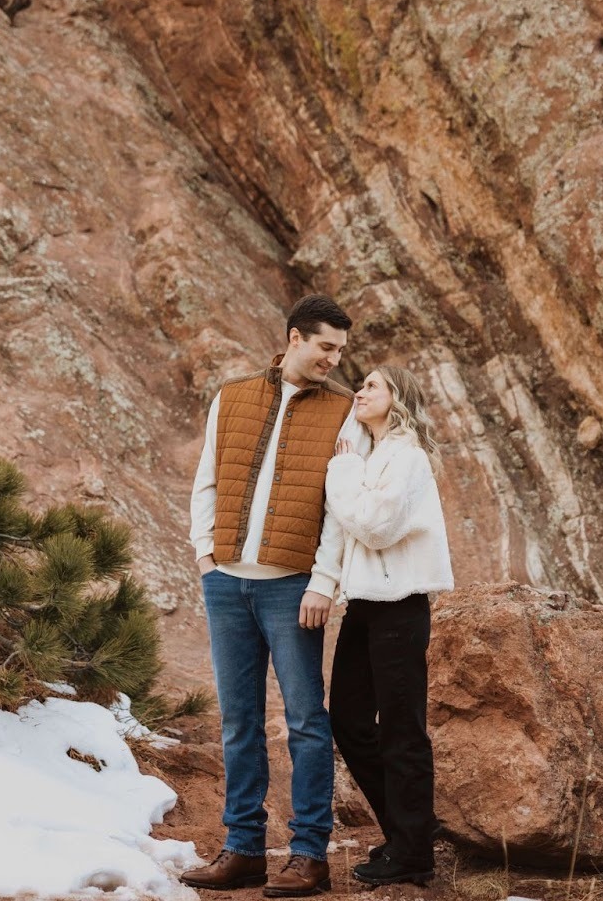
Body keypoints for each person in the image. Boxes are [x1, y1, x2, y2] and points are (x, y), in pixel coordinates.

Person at [184, 295, 365, 897]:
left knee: (307, 722)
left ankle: (310, 854)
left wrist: (322, 581)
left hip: (293, 589)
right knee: (239, 722)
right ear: (294, 338)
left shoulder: (344, 412)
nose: (334, 361)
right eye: (325, 347)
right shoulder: (231, 396)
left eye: (340, 351)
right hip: (226, 583)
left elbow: (340, 509)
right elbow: (207, 477)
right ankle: (243, 849)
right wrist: (206, 556)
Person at [325, 365, 453, 889]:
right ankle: (408, 831)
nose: (360, 391)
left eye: (373, 385)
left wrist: (341, 474)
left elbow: (376, 527)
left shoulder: (408, 458)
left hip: (400, 606)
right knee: (349, 720)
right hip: (363, 606)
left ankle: (413, 853)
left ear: (397, 398)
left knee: (402, 730)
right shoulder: (371, 456)